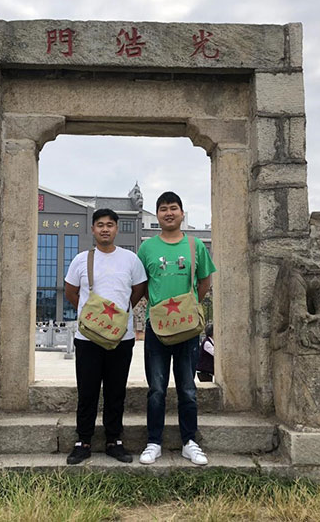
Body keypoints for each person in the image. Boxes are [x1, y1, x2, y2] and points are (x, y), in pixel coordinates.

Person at [137, 192, 216, 466]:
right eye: (163, 209)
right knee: (156, 388)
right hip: (156, 328)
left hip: (188, 329)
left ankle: (189, 442)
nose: (168, 213)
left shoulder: (195, 245)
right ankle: (153, 442)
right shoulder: (147, 248)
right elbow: (142, 285)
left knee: (187, 388)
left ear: (182, 213)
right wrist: (156, 308)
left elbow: (204, 281)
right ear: (157, 214)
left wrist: (187, 307)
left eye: (173, 208)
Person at [64, 208, 147, 465]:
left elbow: (138, 290)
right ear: (93, 229)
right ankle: (83, 441)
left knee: (116, 391)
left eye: (110, 224)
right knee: (87, 390)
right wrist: (92, 317)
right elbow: (71, 292)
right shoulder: (81, 259)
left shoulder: (130, 259)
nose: (105, 229)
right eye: (100, 225)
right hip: (88, 338)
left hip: (121, 337)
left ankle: (114, 440)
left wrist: (118, 317)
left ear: (116, 229)